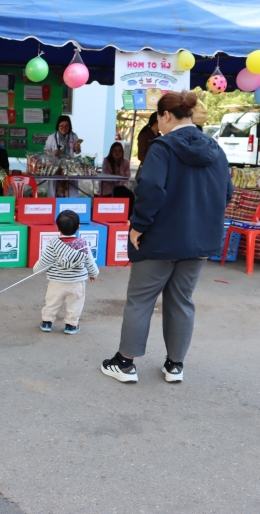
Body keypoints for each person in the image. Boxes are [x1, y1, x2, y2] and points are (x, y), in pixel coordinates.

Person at [101, 91, 233, 384]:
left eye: (158, 118)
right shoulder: (216, 148)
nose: (158, 125)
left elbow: (150, 189)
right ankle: (175, 365)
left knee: (140, 300)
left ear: (167, 116)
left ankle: (125, 363)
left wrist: (138, 226)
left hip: (160, 240)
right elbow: (226, 193)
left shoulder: (162, 147)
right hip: (199, 241)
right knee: (182, 300)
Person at [34, 210, 99, 335]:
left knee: (52, 302)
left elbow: (45, 261)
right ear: (78, 227)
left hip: (56, 282)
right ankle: (71, 325)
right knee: (75, 304)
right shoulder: (83, 244)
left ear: (57, 227)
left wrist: (36, 270)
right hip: (77, 282)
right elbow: (89, 261)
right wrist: (93, 273)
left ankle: (46, 322)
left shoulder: (53, 244)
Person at [43, 115, 82, 197]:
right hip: (56, 168)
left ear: (70, 127)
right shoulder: (52, 137)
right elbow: (45, 151)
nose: (64, 128)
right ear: (58, 126)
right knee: (56, 192)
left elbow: (78, 152)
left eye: (67, 126)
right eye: (61, 125)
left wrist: (77, 148)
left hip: (69, 168)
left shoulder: (73, 136)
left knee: (70, 192)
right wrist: (53, 153)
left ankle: (70, 204)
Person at [99, 142, 135, 215]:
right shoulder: (106, 161)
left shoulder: (126, 162)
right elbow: (107, 177)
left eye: (119, 150)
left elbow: (127, 176)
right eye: (115, 150)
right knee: (121, 194)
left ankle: (128, 217)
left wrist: (119, 182)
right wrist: (118, 181)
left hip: (122, 187)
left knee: (131, 195)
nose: (117, 152)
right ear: (111, 151)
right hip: (109, 188)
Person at [135, 111, 159, 178]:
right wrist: (154, 161)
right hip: (145, 171)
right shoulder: (144, 135)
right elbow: (140, 156)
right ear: (156, 122)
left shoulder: (159, 136)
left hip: (156, 171)